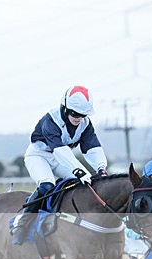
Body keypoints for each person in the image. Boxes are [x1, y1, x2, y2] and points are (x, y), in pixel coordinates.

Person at [11, 85, 108, 244]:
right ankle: (22, 222)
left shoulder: (85, 124)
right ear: (64, 108)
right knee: (47, 186)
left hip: (61, 157)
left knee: (88, 185)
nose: (78, 118)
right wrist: (77, 169)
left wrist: (101, 168)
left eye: (83, 114)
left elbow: (92, 148)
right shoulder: (51, 119)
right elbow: (59, 150)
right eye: (74, 113)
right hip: (39, 155)